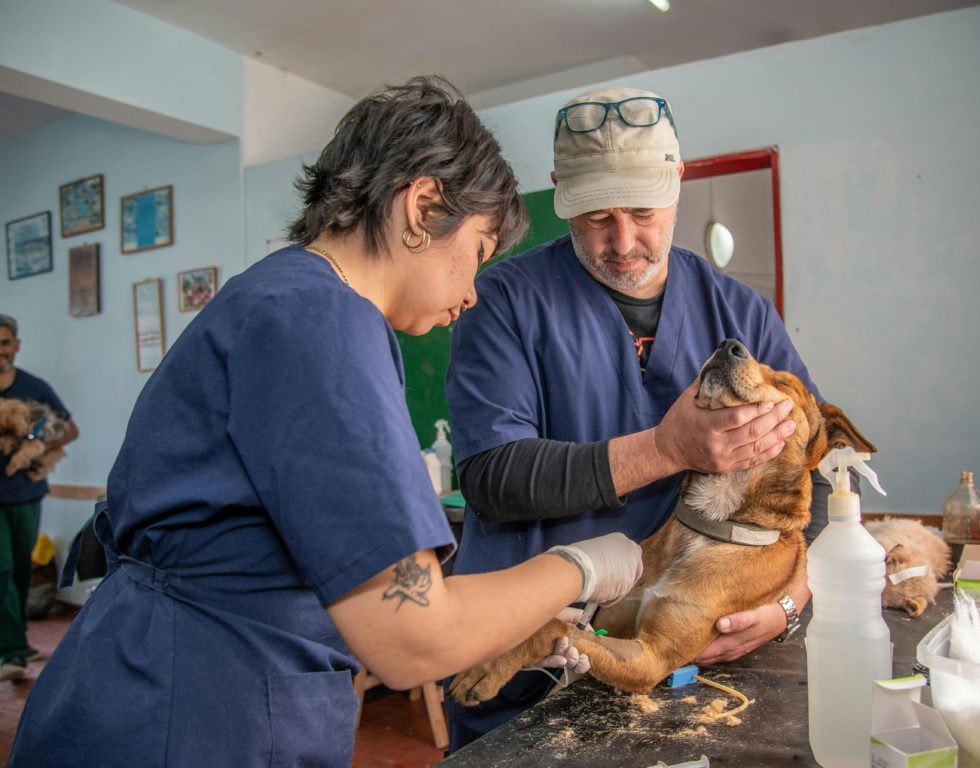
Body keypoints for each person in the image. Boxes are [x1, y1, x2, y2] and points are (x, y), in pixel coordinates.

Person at [7, 77, 643, 768]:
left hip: (157, 683)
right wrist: (581, 566)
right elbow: (412, 638)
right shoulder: (324, 322)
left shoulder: (282, 296)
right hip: (192, 714)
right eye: (480, 252)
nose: (471, 292)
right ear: (424, 205)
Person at [444, 85, 832, 749]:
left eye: (645, 212)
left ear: (677, 182)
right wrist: (667, 448)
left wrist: (788, 603)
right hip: (526, 675)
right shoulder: (501, 302)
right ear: (559, 189)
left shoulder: (740, 314)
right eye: (597, 217)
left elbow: (813, 487)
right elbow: (492, 478)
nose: (624, 242)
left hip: (683, 682)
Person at [0, 314, 79, 683]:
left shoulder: (34, 387)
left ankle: (17, 642)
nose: (0, 351)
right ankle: (11, 650)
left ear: (16, 345)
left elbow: (69, 429)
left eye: (4, 342)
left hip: (26, 493)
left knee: (19, 568)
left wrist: (37, 445)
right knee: (0, 570)